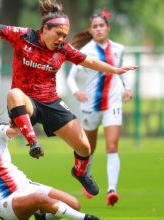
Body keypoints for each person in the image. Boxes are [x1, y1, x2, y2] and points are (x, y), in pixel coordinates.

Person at [0, 0, 137, 197]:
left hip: (50, 102)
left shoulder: (63, 49)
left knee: (85, 147)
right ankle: (33, 142)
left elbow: (90, 61)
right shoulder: (22, 35)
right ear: (44, 29)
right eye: (58, 34)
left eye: (65, 35)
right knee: (14, 94)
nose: (61, 39)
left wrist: (115, 70)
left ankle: (79, 172)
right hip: (25, 103)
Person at [0, 100, 101, 220]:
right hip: (4, 202)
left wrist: (19, 120)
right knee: (40, 199)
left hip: (26, 186)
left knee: (74, 204)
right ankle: (87, 219)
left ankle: (42, 218)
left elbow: (16, 131)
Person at [66, 9, 132, 206]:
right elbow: (71, 77)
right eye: (95, 26)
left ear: (108, 28)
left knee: (112, 146)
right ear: (90, 30)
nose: (99, 29)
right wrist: (77, 91)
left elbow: (121, 71)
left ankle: (112, 190)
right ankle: (87, 177)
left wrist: (127, 87)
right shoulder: (85, 51)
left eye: (102, 25)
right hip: (90, 105)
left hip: (113, 103)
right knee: (89, 148)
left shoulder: (119, 49)